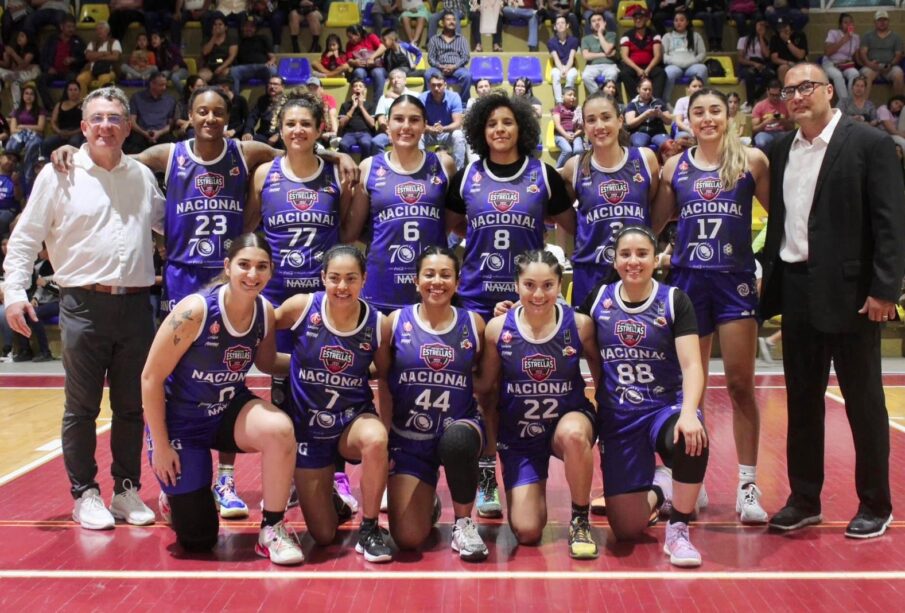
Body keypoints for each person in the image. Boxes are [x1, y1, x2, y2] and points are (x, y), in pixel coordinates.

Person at [3, 86, 164, 530]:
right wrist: (14, 292)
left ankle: (126, 490)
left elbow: (168, 226)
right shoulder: (59, 174)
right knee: (82, 408)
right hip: (82, 304)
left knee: (133, 407)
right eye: (97, 118)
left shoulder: (141, 177)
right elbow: (25, 238)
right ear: (84, 126)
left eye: (115, 118)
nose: (106, 126)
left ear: (129, 125)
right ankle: (84, 493)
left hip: (135, 307)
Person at [759, 63, 905, 539]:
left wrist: (886, 289)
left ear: (827, 91)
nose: (797, 96)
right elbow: (782, 221)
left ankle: (875, 503)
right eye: (789, 90)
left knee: (863, 402)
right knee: (801, 402)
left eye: (806, 87)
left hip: (853, 294)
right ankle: (804, 499)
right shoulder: (782, 149)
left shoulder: (870, 144)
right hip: (798, 289)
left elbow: (891, 224)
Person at [446, 93, 576, 519]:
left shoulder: (544, 173)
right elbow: (451, 228)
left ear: (522, 127)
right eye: (491, 124)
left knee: (520, 390)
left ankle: (525, 467)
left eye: (507, 122)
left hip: (531, 300)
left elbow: (568, 227)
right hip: (478, 297)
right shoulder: (467, 177)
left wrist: (555, 275)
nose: (500, 130)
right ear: (480, 131)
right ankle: (486, 476)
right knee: (483, 391)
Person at [141, 233, 302, 563]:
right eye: (244, 265)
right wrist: (161, 443)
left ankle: (272, 529)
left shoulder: (265, 312)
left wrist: (319, 365)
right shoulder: (195, 311)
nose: (252, 274)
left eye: (261, 267)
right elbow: (150, 377)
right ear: (228, 267)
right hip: (181, 423)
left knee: (280, 430)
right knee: (199, 539)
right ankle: (176, 497)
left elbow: (267, 362)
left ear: (271, 271)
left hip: (227, 408)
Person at [652, 86, 771, 525]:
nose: (706, 118)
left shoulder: (751, 161)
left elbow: (782, 218)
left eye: (714, 111)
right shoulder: (673, 166)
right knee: (691, 388)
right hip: (687, 283)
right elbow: (654, 223)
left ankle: (747, 483)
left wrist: (769, 268)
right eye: (698, 111)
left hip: (734, 282)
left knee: (741, 385)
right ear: (688, 118)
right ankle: (691, 480)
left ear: (729, 114)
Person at [588, 225, 708, 567]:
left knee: (689, 438)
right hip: (619, 415)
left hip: (662, 408)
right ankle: (662, 487)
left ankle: (679, 528)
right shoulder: (598, 298)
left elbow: (692, 366)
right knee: (627, 529)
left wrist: (688, 412)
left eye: (642, 254)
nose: (633, 261)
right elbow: (561, 324)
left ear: (656, 259)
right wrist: (518, 312)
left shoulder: (674, 300)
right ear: (614, 259)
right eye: (625, 254)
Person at [477, 249, 600, 559]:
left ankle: (580, 519)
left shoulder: (581, 326)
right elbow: (486, 391)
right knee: (528, 531)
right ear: (517, 286)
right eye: (529, 284)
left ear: (560, 286)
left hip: (567, 421)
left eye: (548, 285)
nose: (538, 293)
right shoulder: (498, 329)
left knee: (573, 434)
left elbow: (605, 382)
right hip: (519, 435)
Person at [274, 245, 394, 563]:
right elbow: (259, 326)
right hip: (308, 430)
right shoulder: (300, 307)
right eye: (335, 278)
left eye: (351, 278)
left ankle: (369, 530)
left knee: (376, 439)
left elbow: (383, 373)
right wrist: (291, 364)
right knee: (324, 536)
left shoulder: (376, 323)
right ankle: (332, 500)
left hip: (351, 420)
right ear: (323, 277)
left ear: (364, 279)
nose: (342, 287)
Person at [379, 247, 489, 560]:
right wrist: (386, 436)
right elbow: (386, 384)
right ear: (416, 281)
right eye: (429, 274)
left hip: (459, 427)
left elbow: (483, 383)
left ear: (457, 282)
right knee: (408, 539)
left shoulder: (474, 325)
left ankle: (464, 523)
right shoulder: (396, 322)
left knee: (456, 441)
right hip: (410, 437)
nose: (436, 281)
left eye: (445, 275)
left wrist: (488, 441)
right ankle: (429, 502)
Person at [345, 95, 455, 315]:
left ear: (424, 125)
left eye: (414, 120)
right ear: (387, 124)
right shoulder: (369, 167)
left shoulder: (444, 164)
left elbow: (447, 224)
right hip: (381, 285)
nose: (406, 126)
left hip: (431, 288)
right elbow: (352, 232)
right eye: (399, 119)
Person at [561, 92, 659, 309]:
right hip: (591, 267)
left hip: (636, 267)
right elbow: (562, 214)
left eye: (606, 117)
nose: (599, 125)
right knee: (589, 339)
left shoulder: (645, 159)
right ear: (584, 127)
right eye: (591, 120)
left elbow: (651, 208)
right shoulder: (574, 167)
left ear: (620, 120)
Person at [36, 15, 87, 111]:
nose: (71, 29)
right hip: (53, 71)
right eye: (68, 27)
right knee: (40, 79)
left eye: (73, 27)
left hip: (70, 71)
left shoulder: (78, 41)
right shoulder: (52, 40)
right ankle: (50, 107)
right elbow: (42, 57)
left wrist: (73, 60)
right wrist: (48, 68)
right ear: (61, 27)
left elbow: (84, 58)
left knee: (71, 79)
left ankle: (62, 106)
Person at [661, 9, 708, 104]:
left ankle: (700, 99)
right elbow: (663, 55)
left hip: (691, 66)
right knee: (668, 72)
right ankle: (666, 102)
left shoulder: (695, 36)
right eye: (676, 20)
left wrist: (694, 60)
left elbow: (702, 53)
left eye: (682, 20)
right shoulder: (667, 36)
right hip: (674, 66)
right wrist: (673, 61)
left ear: (687, 22)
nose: (678, 22)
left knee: (702, 69)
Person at [419, 74, 467, 168]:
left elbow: (458, 123)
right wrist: (431, 129)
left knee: (458, 134)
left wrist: (443, 129)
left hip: (447, 133)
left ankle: (458, 173)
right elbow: (419, 122)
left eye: (439, 85)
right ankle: (421, 169)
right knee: (418, 136)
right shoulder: (422, 98)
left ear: (445, 85)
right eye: (433, 85)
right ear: (429, 86)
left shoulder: (454, 97)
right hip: (429, 133)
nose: (436, 88)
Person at [619, 6, 666, 100]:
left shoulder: (654, 34)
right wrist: (638, 70)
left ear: (646, 19)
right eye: (635, 18)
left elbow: (658, 56)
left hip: (650, 66)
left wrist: (648, 69)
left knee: (661, 72)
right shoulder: (626, 35)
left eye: (640, 17)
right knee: (624, 73)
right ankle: (636, 100)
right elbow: (624, 56)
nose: (638, 20)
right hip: (634, 67)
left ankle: (656, 101)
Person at [425, 12, 472, 105]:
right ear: (442, 23)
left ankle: (463, 103)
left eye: (454, 20)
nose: (452, 22)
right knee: (428, 74)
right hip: (438, 68)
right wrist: (440, 66)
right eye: (448, 19)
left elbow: (465, 57)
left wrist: (454, 66)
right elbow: (431, 58)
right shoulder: (434, 39)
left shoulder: (461, 39)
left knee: (467, 76)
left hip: (457, 68)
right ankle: (431, 102)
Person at [124, 73, 177, 153]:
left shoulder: (170, 100)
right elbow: (132, 122)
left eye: (165, 85)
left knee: (174, 146)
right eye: (161, 85)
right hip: (141, 132)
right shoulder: (137, 97)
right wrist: (145, 133)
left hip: (162, 134)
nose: (164, 88)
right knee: (131, 145)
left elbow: (170, 125)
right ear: (152, 84)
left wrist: (159, 133)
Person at [858, 9, 905, 98]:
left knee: (899, 74)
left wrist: (890, 64)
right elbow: (863, 53)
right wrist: (869, 64)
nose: (882, 22)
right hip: (872, 66)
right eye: (879, 20)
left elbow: (898, 55)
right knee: (866, 75)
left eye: (885, 20)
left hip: (890, 66)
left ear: (888, 21)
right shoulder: (867, 36)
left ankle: (899, 105)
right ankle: (862, 107)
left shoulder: (896, 37)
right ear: (875, 22)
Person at [231, 17, 278, 95]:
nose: (248, 29)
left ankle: (270, 98)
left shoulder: (263, 38)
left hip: (262, 66)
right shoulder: (238, 40)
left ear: (255, 29)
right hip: (244, 68)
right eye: (246, 26)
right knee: (233, 71)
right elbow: (233, 56)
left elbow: (272, 56)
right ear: (242, 28)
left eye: (251, 27)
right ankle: (236, 100)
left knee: (272, 70)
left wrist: (271, 62)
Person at [624, 77, 672, 151]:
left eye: (650, 89)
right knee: (638, 144)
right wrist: (645, 115)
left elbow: (669, 121)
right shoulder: (632, 104)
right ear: (638, 89)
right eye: (645, 89)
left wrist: (661, 115)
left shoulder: (659, 102)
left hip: (658, 132)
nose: (648, 92)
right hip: (639, 132)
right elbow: (630, 124)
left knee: (669, 145)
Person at [737, 17, 774, 110]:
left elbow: (766, 55)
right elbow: (741, 59)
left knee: (771, 75)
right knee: (750, 74)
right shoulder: (743, 40)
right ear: (754, 26)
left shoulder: (765, 41)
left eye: (763, 26)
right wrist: (753, 64)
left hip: (761, 64)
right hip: (748, 64)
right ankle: (750, 103)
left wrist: (761, 37)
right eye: (760, 25)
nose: (762, 27)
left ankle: (755, 97)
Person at [76, 22, 122, 96]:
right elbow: (88, 56)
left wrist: (96, 57)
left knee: (104, 78)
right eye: (97, 29)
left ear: (107, 30)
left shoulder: (114, 42)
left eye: (101, 28)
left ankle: (101, 102)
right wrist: (104, 53)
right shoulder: (92, 43)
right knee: (80, 79)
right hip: (93, 70)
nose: (98, 31)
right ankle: (82, 103)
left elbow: (115, 57)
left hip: (108, 70)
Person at [822, 13, 860, 101]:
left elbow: (857, 57)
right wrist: (843, 40)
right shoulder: (833, 33)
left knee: (855, 74)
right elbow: (828, 52)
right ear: (840, 24)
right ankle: (844, 102)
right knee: (838, 75)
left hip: (846, 65)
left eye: (850, 22)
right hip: (831, 63)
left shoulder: (856, 37)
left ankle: (852, 101)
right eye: (845, 23)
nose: (848, 25)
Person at [42, 80, 85, 156]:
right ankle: (45, 163)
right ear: (67, 91)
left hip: (77, 132)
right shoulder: (59, 104)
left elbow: (86, 123)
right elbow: (53, 121)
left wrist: (72, 133)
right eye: (70, 90)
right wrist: (59, 131)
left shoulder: (84, 104)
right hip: (62, 132)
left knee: (74, 142)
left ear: (79, 91)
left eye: (75, 89)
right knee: (47, 142)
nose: (73, 92)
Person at [338, 77, 379, 156]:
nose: (357, 88)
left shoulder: (371, 105)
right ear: (352, 89)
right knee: (342, 144)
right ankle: (348, 167)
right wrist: (353, 107)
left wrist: (361, 106)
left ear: (365, 90)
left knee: (366, 144)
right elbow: (341, 124)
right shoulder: (345, 105)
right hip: (349, 133)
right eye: (355, 86)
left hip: (365, 133)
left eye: (360, 86)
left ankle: (364, 167)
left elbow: (372, 124)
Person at [580, 12, 618, 96]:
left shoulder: (611, 35)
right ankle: (600, 95)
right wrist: (605, 55)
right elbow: (586, 56)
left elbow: (607, 49)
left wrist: (600, 33)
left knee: (612, 74)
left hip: (609, 65)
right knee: (586, 76)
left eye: (599, 20)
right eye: (593, 21)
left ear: (605, 23)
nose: (596, 22)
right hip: (592, 66)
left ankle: (607, 97)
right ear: (590, 25)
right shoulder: (586, 39)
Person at [0, 30, 40, 109]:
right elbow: (14, 67)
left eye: (22, 36)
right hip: (19, 73)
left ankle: (7, 76)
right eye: (18, 36)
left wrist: (12, 53)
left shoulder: (32, 48)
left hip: (32, 71)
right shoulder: (17, 49)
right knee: (14, 82)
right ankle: (16, 108)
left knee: (12, 78)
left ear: (28, 38)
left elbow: (24, 64)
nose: (19, 38)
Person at [345, 25, 387, 99]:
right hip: (361, 68)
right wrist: (355, 62)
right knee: (358, 72)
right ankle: (359, 100)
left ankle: (377, 103)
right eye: (348, 37)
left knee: (378, 73)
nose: (350, 39)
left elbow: (383, 47)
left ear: (358, 34)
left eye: (351, 37)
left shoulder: (371, 37)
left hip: (375, 66)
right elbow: (349, 60)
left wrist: (372, 57)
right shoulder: (349, 44)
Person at [751, 79, 793, 153]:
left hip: (781, 132)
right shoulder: (759, 106)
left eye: (777, 95)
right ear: (767, 91)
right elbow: (754, 129)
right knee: (761, 142)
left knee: (789, 140)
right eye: (772, 95)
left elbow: (791, 127)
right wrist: (765, 123)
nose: (775, 98)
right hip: (765, 132)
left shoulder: (786, 105)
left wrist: (783, 121)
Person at [244, 75, 284, 146]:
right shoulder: (262, 100)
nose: (272, 87)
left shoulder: (288, 102)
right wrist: (248, 131)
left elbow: (290, 124)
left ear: (282, 87)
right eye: (270, 84)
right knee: (248, 143)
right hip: (263, 135)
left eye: (275, 84)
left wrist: (278, 135)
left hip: (280, 136)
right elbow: (252, 117)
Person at [547, 15, 579, 105]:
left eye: (562, 23)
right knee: (555, 74)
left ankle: (568, 101)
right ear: (554, 27)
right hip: (558, 66)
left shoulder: (574, 40)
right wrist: (561, 69)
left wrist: (566, 69)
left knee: (571, 75)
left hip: (570, 66)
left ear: (567, 25)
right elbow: (556, 58)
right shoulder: (551, 42)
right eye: (558, 23)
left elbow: (571, 57)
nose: (560, 25)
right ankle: (559, 102)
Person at [199, 15, 238, 84]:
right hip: (210, 66)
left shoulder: (231, 38)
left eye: (220, 24)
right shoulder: (208, 39)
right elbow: (205, 52)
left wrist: (221, 67)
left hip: (225, 65)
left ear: (225, 27)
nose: (217, 26)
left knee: (226, 74)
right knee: (202, 76)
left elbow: (232, 56)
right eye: (215, 24)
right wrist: (214, 36)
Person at [551, 86, 584, 168]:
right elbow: (557, 125)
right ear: (562, 96)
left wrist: (574, 135)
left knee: (579, 150)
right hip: (560, 135)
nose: (572, 97)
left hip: (575, 135)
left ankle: (575, 169)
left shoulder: (577, 109)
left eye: (574, 95)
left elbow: (581, 127)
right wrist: (566, 135)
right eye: (570, 95)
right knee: (567, 150)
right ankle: (557, 170)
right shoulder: (557, 109)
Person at [769, 19, 807, 84]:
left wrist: (787, 41)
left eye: (784, 27)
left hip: (799, 63)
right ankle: (786, 92)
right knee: (783, 68)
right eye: (780, 27)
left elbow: (800, 55)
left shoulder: (799, 35)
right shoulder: (775, 38)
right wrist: (788, 62)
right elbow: (774, 58)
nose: (782, 29)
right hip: (784, 64)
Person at [672, 75, 705, 140]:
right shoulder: (681, 101)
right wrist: (690, 130)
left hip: (702, 130)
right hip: (686, 130)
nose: (697, 89)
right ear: (688, 88)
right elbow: (678, 122)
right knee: (683, 138)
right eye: (694, 86)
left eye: (700, 86)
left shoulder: (707, 101)